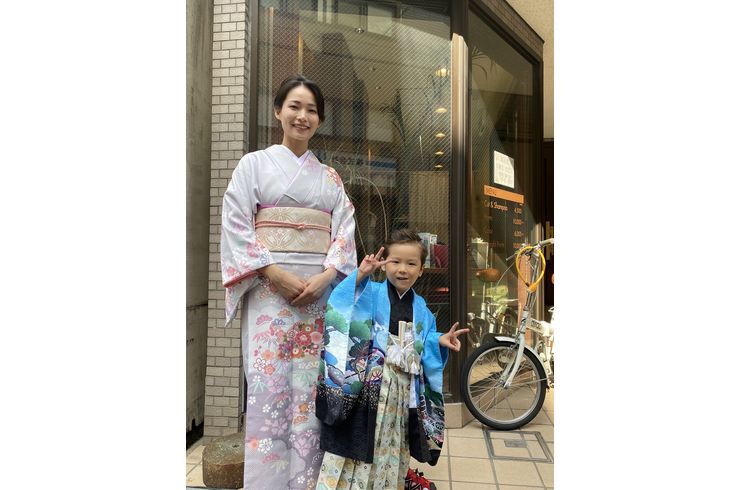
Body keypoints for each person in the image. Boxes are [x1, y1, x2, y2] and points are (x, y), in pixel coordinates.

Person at [220, 74, 357, 489]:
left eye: (311, 110)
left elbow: (344, 231)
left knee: (312, 392)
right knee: (269, 391)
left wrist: (328, 275)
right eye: (294, 107)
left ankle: (309, 483)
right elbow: (236, 223)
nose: (302, 116)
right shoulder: (253, 165)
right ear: (278, 111)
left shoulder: (330, 178)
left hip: (317, 298)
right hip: (268, 293)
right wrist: (273, 272)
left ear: (319, 120)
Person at [314, 229, 468, 489]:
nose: (402, 269)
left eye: (411, 264)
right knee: (359, 441)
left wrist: (438, 340)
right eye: (395, 261)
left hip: (401, 390)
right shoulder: (371, 291)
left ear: (421, 270)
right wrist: (361, 274)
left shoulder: (421, 307)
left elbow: (424, 340)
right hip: (367, 386)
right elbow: (340, 303)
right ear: (384, 264)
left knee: (392, 440)